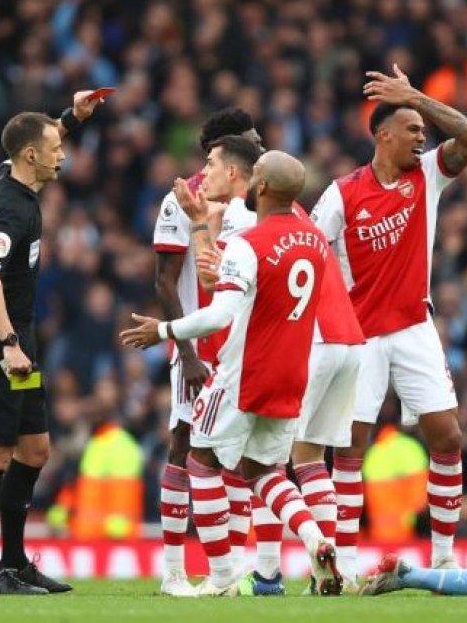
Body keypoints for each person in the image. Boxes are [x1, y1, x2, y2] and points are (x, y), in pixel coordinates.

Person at [121, 150, 343, 597]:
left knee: (200, 460)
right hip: (291, 376)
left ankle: (222, 576)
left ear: (260, 187)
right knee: (265, 472)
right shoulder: (315, 241)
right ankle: (315, 538)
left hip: (243, 373)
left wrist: (162, 329)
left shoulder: (249, 244)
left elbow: (219, 314)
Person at [311, 63, 467, 575]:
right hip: (359, 337)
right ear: (384, 135)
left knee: (448, 437)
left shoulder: (426, 176)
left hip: (413, 327)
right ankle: (342, 561)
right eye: (413, 129)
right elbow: (313, 253)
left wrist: (417, 97)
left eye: (424, 132)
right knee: (349, 448)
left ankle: (445, 559)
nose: (422, 137)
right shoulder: (343, 193)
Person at [187, 140, 366, 595]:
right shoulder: (300, 219)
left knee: (243, 461)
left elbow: (214, 280)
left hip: (304, 344)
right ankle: (328, 561)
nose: (203, 173)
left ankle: (263, 574)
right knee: (307, 460)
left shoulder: (251, 220)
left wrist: (199, 225)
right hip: (347, 336)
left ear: (242, 177)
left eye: (210, 164)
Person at [0, 92, 102, 595]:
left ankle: (17, 563)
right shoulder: (8, 210)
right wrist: (9, 345)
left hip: (22, 347)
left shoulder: (13, 175)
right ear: (30, 157)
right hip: (0, 348)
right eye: (53, 146)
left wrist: (70, 117)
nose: (62, 152)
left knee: (36, 449)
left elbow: (41, 136)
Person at [152, 109, 262, 596]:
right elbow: (165, 280)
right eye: (250, 140)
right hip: (201, 344)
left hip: (248, 345)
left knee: (239, 452)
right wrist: (187, 351)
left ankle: (233, 565)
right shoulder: (182, 200)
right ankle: (174, 569)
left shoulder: (258, 199)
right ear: (222, 149)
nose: (260, 146)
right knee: (184, 441)